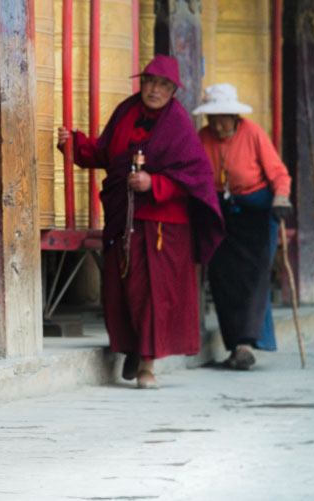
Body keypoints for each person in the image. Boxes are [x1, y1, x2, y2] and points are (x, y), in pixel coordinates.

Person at [57, 54, 223, 389]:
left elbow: (197, 176)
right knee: (124, 291)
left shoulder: (178, 123)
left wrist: (155, 183)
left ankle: (147, 365)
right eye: (150, 82)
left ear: (173, 91)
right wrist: (73, 143)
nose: (155, 90)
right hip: (124, 218)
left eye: (164, 85)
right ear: (142, 83)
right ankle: (133, 347)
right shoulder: (127, 111)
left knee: (153, 294)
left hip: (163, 224)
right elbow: (106, 154)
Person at [193, 83, 293, 370]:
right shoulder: (203, 137)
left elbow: (278, 173)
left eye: (224, 117)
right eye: (213, 117)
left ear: (235, 116)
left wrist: (281, 197)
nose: (218, 123)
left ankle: (246, 344)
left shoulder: (253, 133)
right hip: (222, 209)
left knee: (254, 276)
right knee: (223, 277)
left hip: (258, 210)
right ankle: (235, 344)